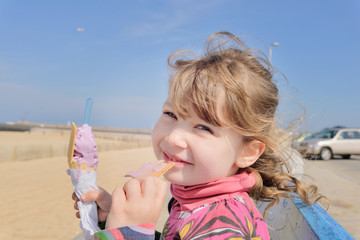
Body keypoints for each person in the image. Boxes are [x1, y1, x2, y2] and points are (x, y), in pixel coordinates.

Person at [72, 31, 324, 239]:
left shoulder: (226, 226)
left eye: (204, 127)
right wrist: (112, 223)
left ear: (247, 152)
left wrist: (130, 232)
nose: (172, 138)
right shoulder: (195, 198)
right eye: (170, 114)